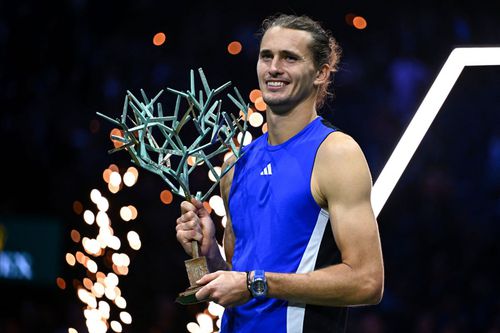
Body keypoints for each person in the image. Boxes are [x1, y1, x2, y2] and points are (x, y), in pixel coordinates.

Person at [176, 13, 384, 332]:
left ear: (321, 73)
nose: (274, 68)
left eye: (289, 58)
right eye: (266, 56)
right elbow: (239, 284)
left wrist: (255, 282)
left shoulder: (335, 153)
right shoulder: (236, 163)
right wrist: (208, 254)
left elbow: (367, 282)